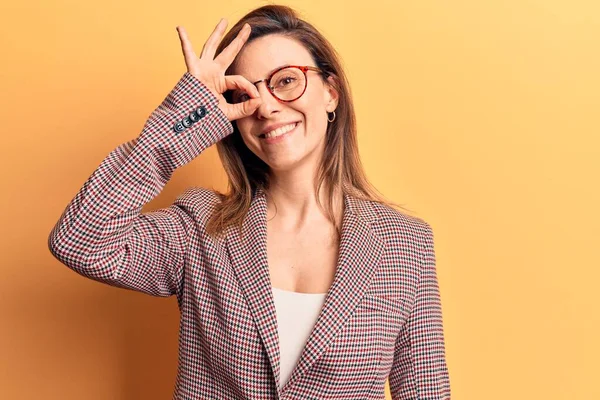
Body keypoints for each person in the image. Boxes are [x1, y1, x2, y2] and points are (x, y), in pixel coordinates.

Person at [48, 4, 451, 399]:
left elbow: (426, 392)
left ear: (331, 93)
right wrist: (188, 112)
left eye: (287, 80)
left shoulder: (406, 244)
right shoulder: (200, 226)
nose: (267, 106)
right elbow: (80, 241)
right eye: (245, 91)